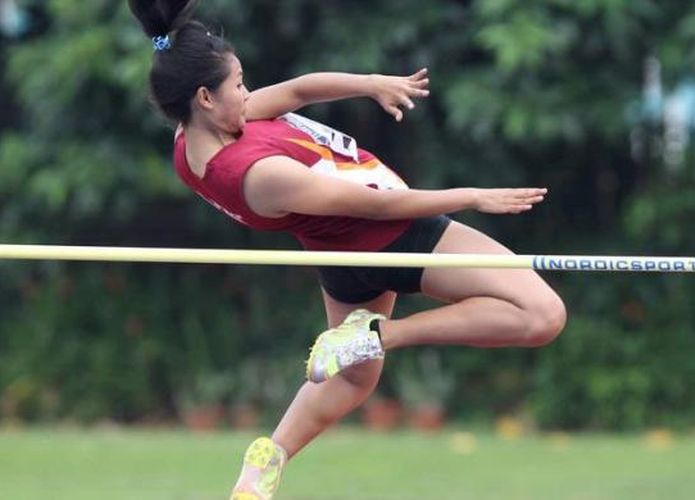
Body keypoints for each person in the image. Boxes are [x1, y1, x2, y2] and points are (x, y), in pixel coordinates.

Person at [128, 1, 567, 499]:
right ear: (205, 97)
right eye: (240, 85)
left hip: (340, 258)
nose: (248, 95)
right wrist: (472, 197)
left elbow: (297, 90)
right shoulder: (258, 175)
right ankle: (383, 334)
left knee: (355, 380)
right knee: (542, 315)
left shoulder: (193, 142)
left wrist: (372, 82)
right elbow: (376, 208)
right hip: (400, 236)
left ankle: (268, 459)